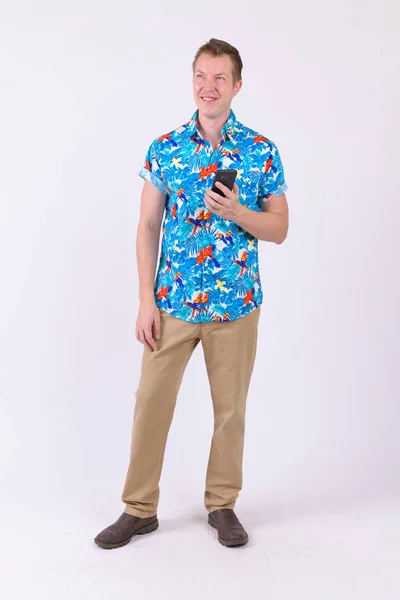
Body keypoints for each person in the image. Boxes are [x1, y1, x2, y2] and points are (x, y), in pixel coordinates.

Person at [94, 38, 288, 549]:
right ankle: (139, 509)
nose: (209, 86)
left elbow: (280, 227)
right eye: (202, 76)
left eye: (220, 77)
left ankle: (222, 504)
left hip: (236, 304)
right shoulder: (165, 147)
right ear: (193, 82)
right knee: (150, 402)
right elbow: (147, 224)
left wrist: (239, 214)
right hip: (172, 303)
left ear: (237, 85)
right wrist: (144, 299)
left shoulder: (260, 150)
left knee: (231, 411)